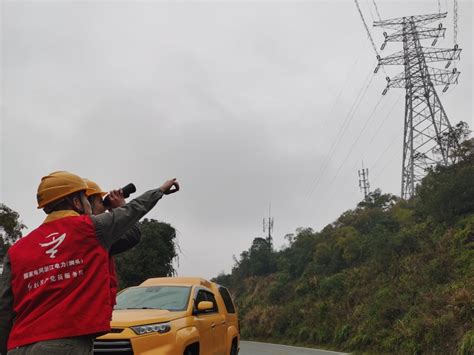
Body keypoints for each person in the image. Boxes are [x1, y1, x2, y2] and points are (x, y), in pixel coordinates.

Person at [0, 171, 179, 355]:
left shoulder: (16, 250)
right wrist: (160, 190)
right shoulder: (91, 229)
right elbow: (132, 210)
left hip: (17, 346)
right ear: (76, 202)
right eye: (86, 199)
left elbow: (4, 310)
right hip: (64, 344)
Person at [83, 178, 141, 307]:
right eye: (100, 201)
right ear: (86, 204)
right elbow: (132, 236)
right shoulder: (93, 234)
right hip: (94, 306)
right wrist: (121, 207)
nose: (104, 205)